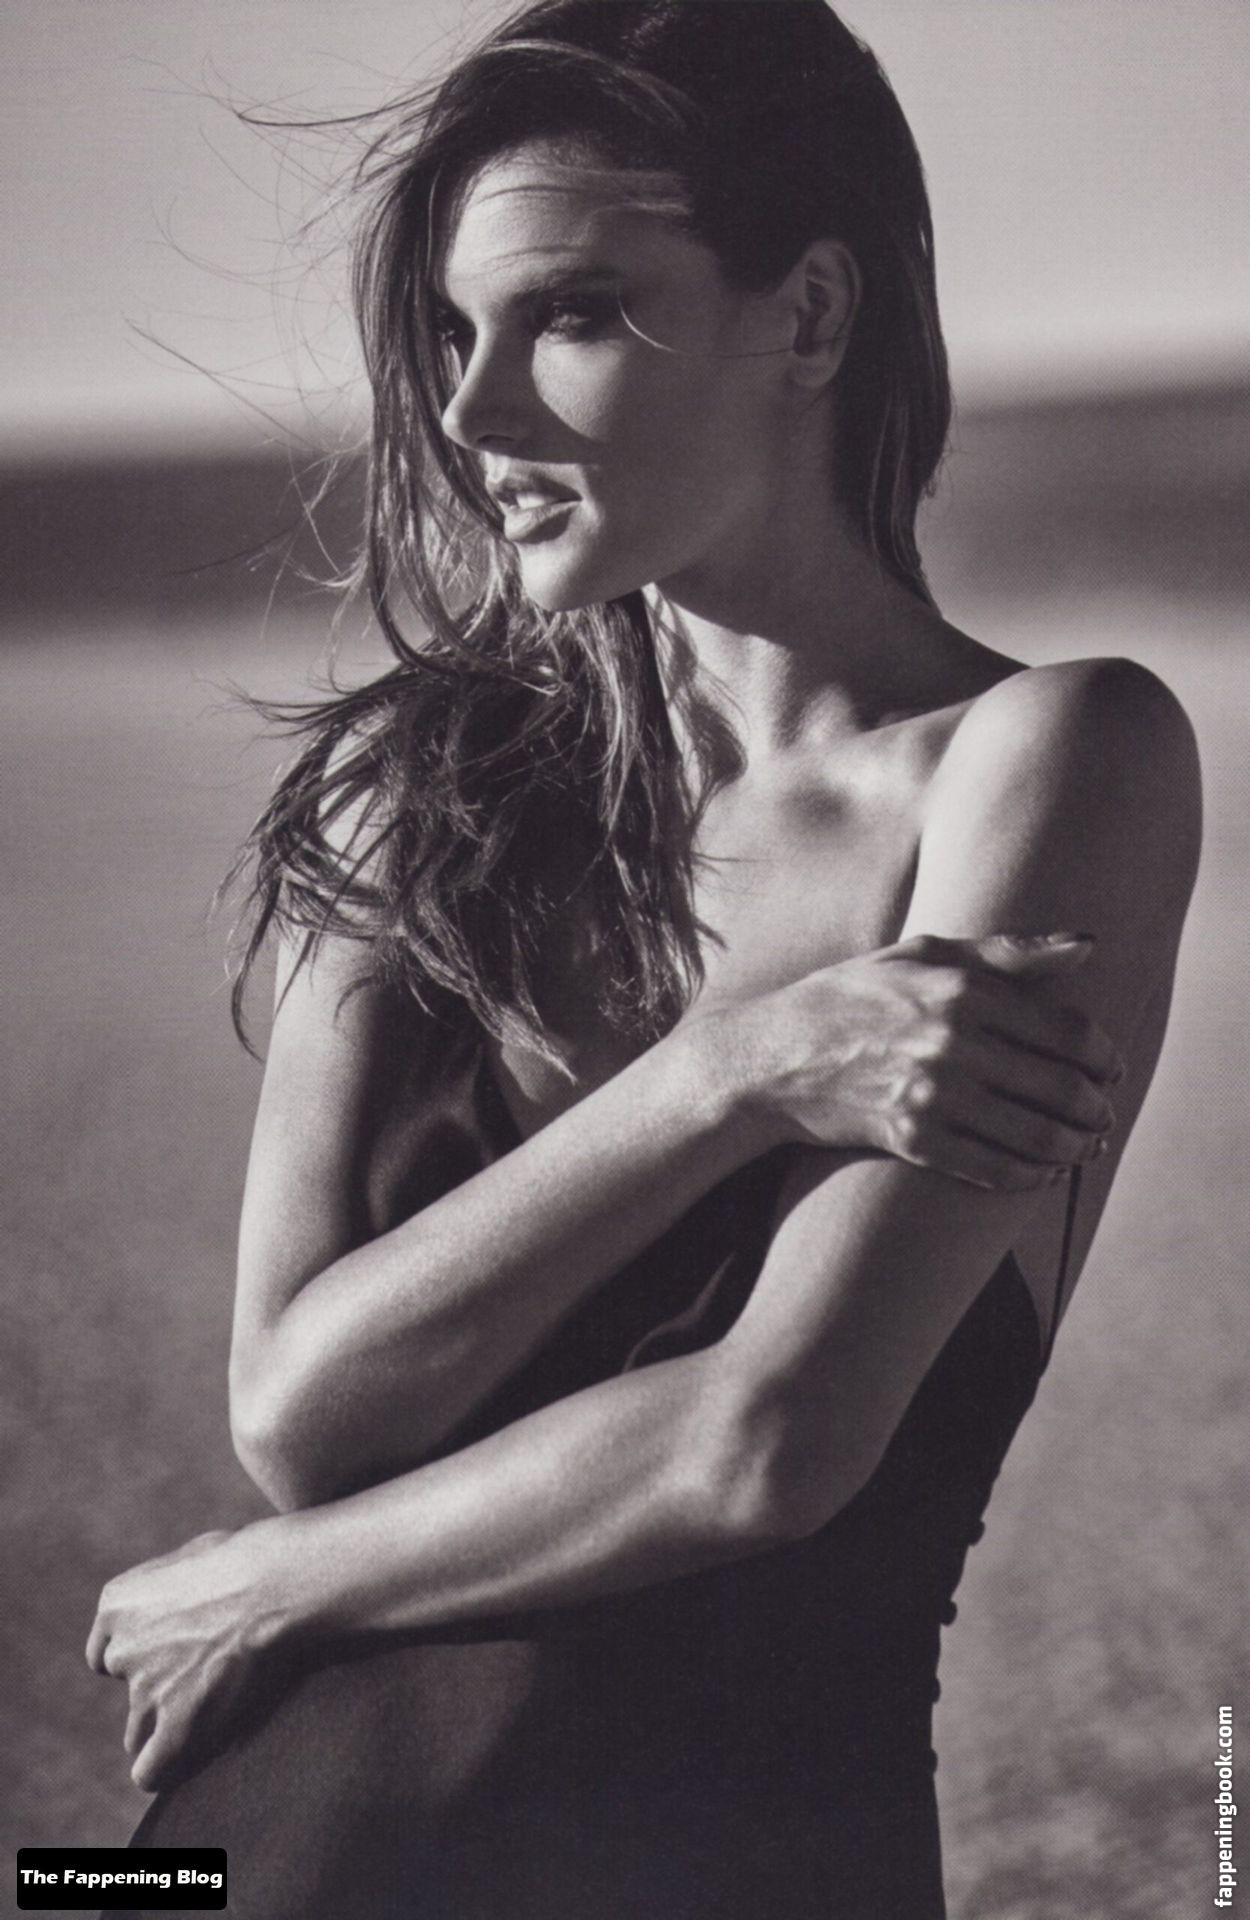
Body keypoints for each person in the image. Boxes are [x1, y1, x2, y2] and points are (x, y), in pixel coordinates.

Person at [87, 3, 1201, 1915]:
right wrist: (733, 1071)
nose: (471, 410)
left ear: (813, 313)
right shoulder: (420, 795)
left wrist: (272, 1586)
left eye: (573, 314)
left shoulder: (1050, 760)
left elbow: (765, 1443)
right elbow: (302, 1416)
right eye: (453, 333)